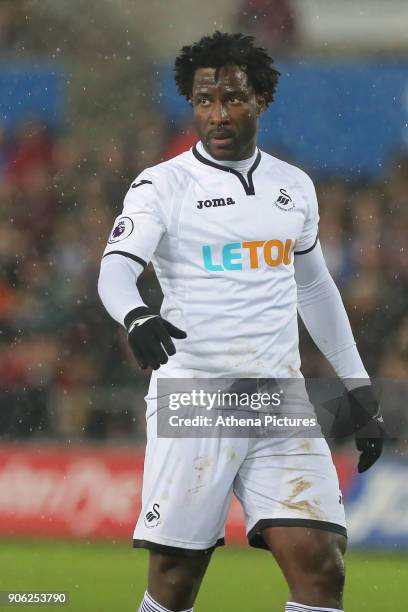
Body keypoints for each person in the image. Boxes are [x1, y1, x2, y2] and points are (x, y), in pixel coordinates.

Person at [98, 32, 384, 612]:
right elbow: (115, 269)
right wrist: (136, 314)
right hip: (195, 394)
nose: (218, 114)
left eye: (232, 99)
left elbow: (315, 289)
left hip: (278, 397)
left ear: (260, 100)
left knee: (321, 566)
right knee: (175, 580)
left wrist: (357, 390)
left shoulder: (293, 187)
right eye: (205, 101)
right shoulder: (163, 185)